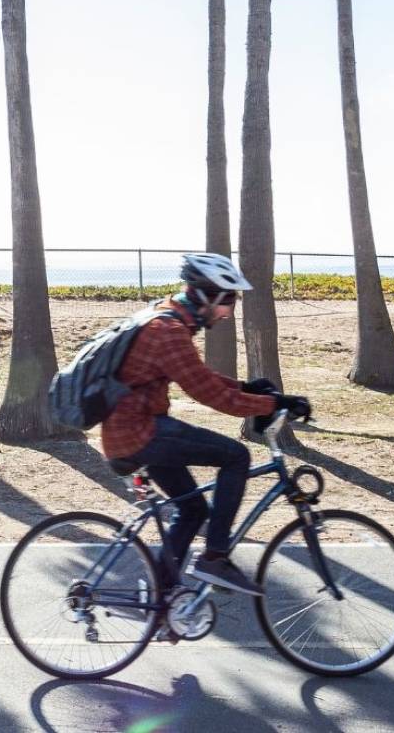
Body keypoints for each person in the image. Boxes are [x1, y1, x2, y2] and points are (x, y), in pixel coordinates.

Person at [100, 252, 310, 597]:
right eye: (227, 300)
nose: (229, 311)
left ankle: (161, 597)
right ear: (206, 296)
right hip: (140, 433)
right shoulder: (167, 331)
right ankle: (214, 557)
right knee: (236, 456)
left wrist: (245, 387)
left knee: (192, 508)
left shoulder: (168, 319)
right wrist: (275, 402)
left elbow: (200, 376)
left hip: (134, 432)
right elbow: (212, 396)